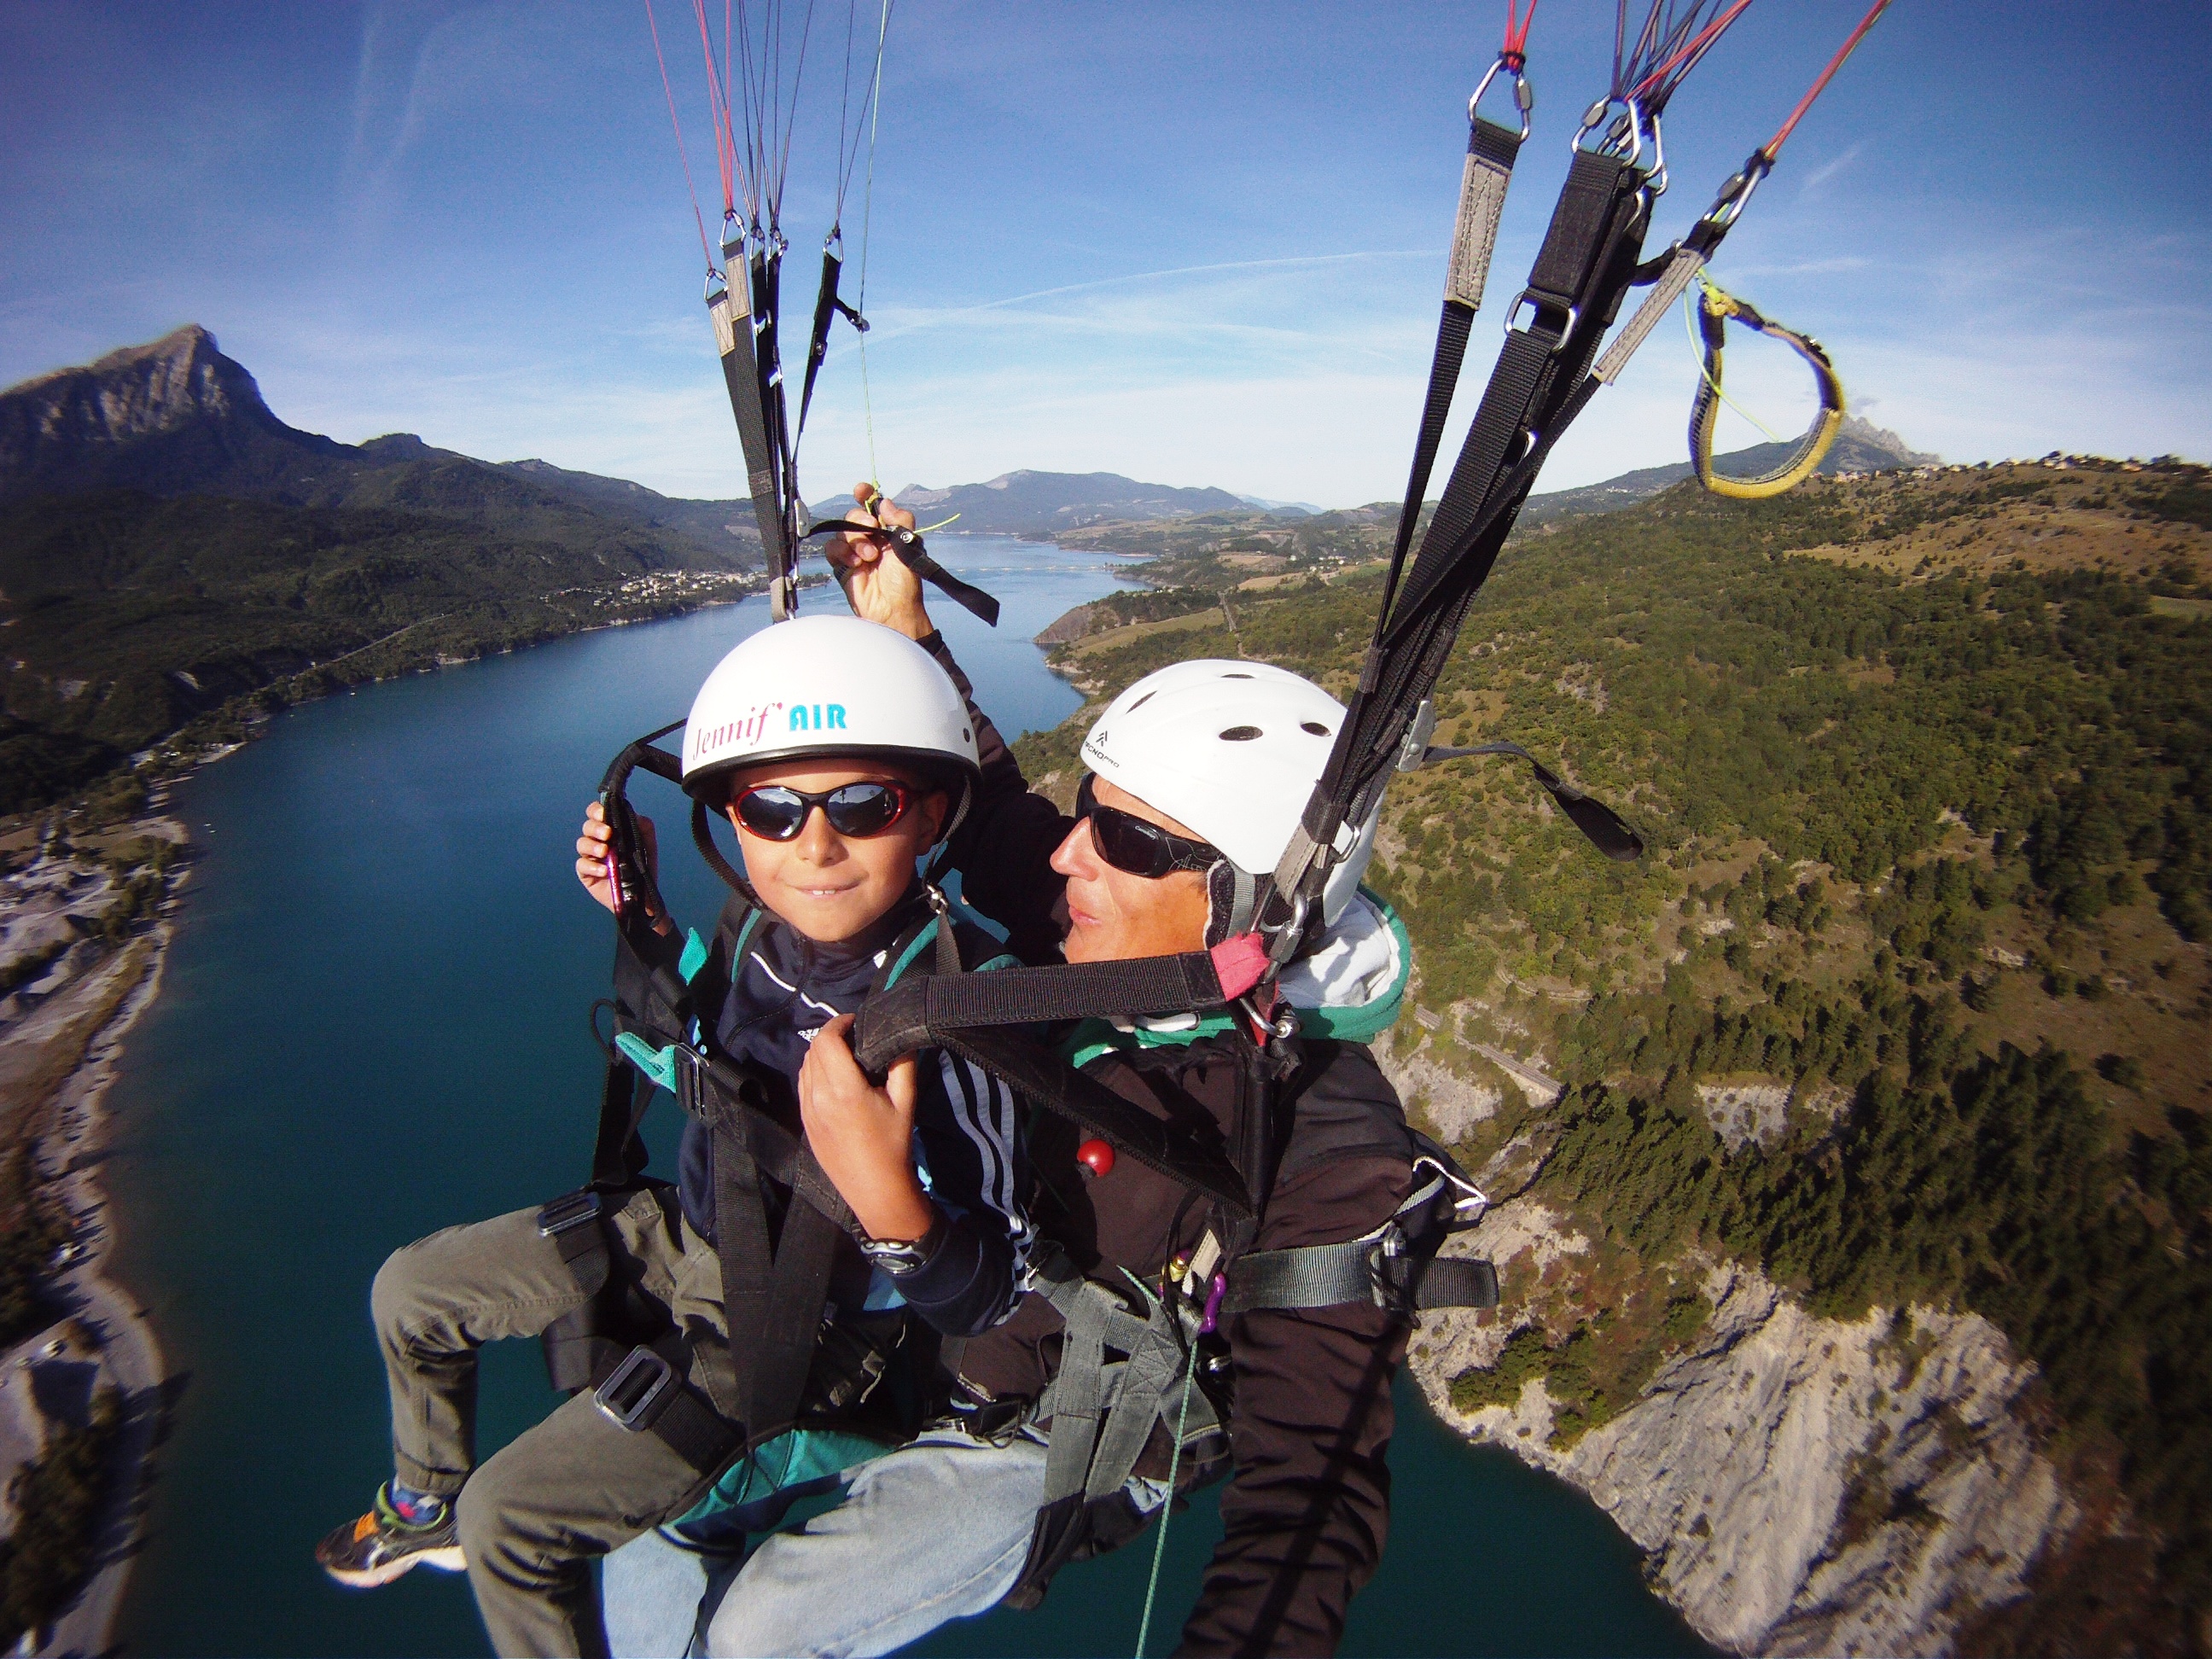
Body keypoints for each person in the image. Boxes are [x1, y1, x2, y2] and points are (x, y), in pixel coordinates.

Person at [684, 493, 1438, 1657]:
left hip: (1050, 1433)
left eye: (1125, 840)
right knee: (644, 1546)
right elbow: (991, 815)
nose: (1069, 851)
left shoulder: (1324, 1144)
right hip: (946, 1313)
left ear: (1244, 899)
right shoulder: (1114, 942)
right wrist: (903, 631)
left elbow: (1313, 1495)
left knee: (758, 1635)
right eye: (1092, 813)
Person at [314, 614, 1034, 1658]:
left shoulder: (955, 1007)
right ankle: (423, 1498)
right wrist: (642, 916)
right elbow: (710, 1036)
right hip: (688, 1232)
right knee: (409, 1293)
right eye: (772, 810)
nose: (815, 846)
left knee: (511, 1523)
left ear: (927, 815)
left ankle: (466, 1521)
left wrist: (892, 1201)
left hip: (799, 1323)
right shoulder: (758, 930)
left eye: (863, 806)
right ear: (733, 821)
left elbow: (992, 1292)